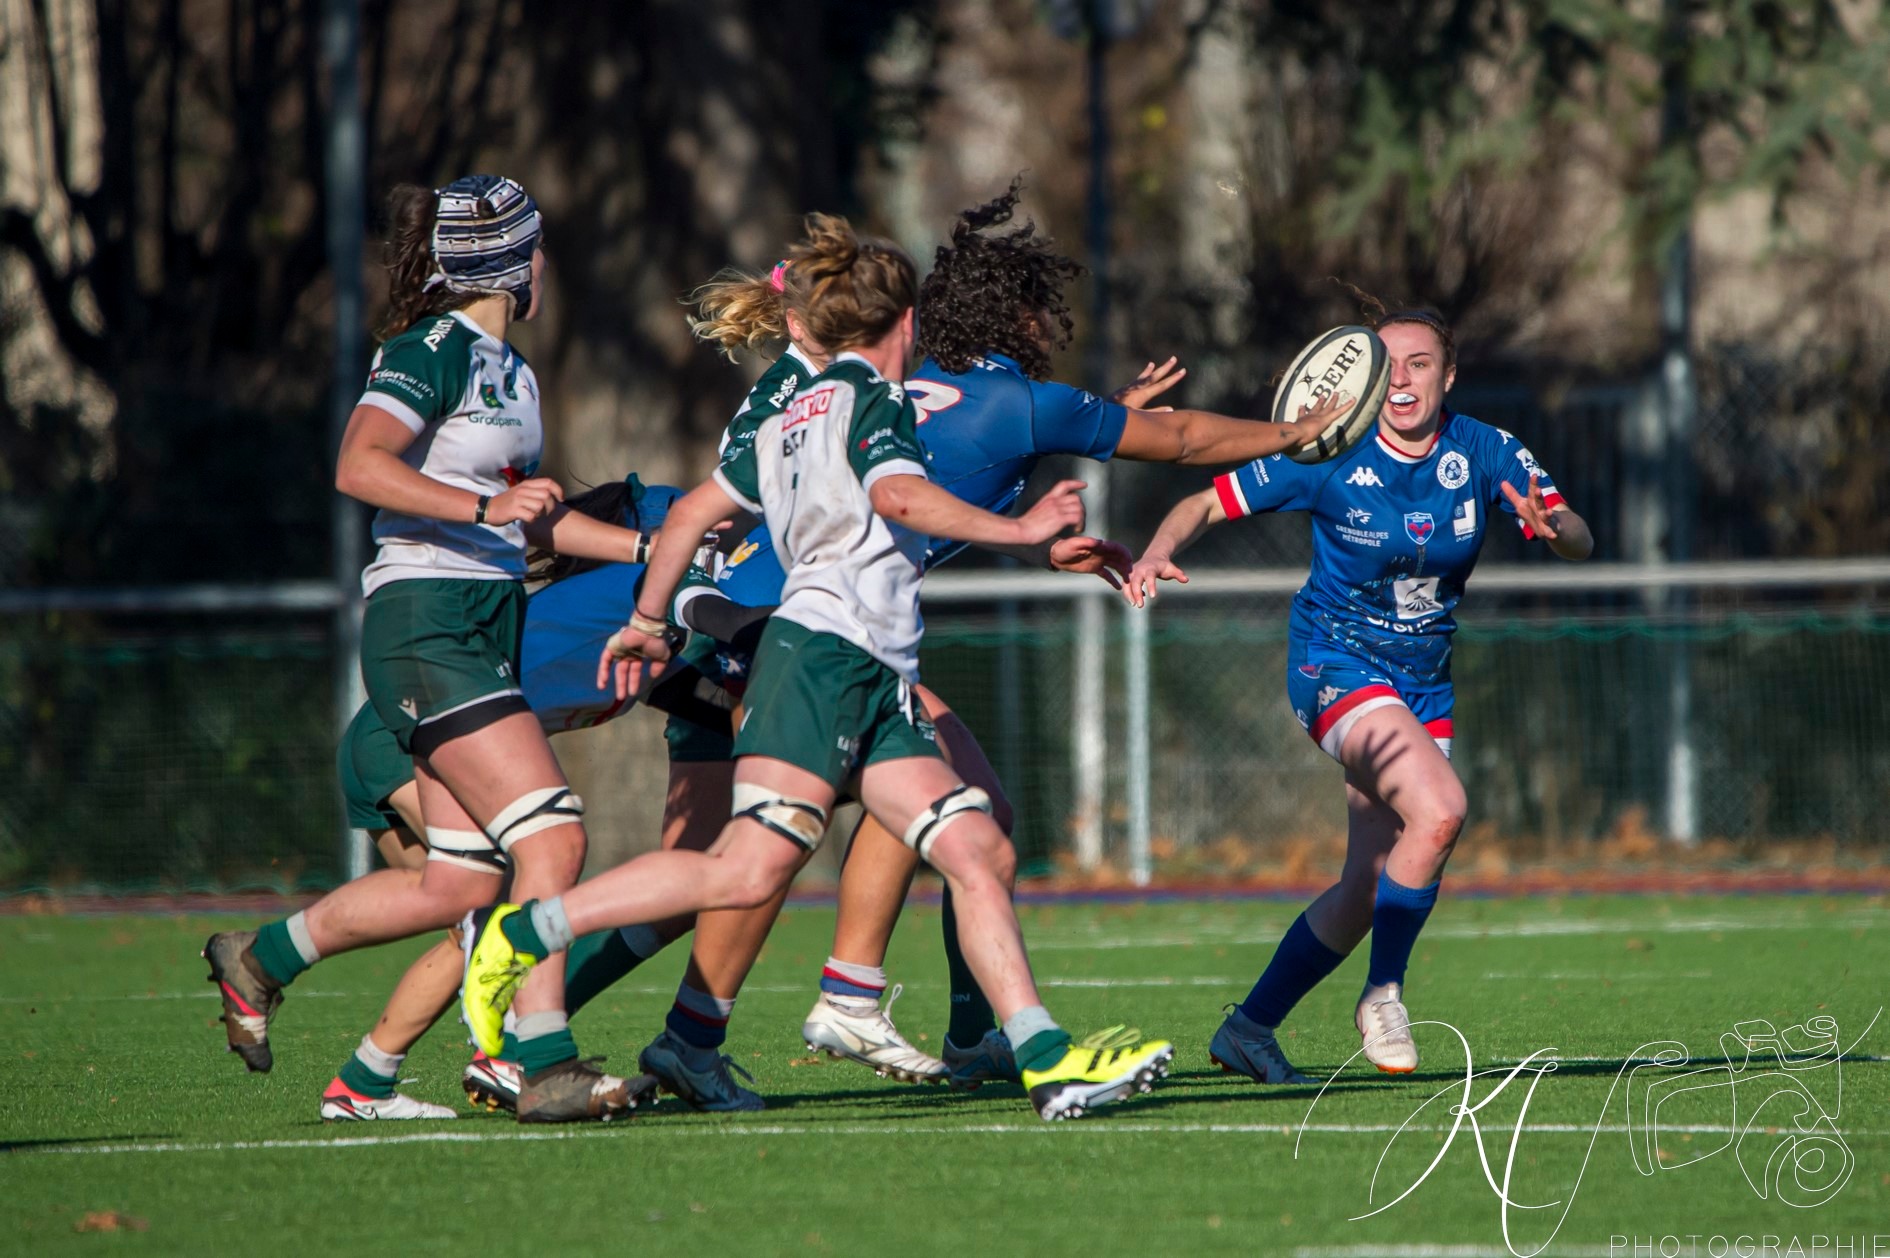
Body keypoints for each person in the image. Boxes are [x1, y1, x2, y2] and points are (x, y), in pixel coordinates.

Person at [464, 212, 1177, 1121]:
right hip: (812, 654)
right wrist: (1028, 533)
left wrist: (650, 619)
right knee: (741, 872)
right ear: (907, 322)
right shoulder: (871, 399)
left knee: (975, 840)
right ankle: (536, 938)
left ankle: (1041, 1058)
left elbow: (688, 520)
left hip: (831, 657)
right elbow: (901, 492)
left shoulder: (794, 403)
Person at [732, 180, 1344, 1088]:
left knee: (966, 823)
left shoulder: (916, 387)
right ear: (1020, 313)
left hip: (755, 616)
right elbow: (1176, 441)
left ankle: (937, 1024)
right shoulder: (1024, 405)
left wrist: (1042, 528)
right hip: (802, 634)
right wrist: (1294, 432)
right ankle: (717, 1004)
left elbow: (947, 492)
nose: (1050, 325)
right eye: (1043, 309)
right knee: (739, 868)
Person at [204, 176, 657, 1123]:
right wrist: (484, 504)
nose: (544, 266)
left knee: (460, 880)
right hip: (429, 621)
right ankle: (546, 1064)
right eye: (535, 248)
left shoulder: (514, 372)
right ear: (512, 260)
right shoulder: (433, 349)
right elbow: (358, 462)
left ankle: (262, 959)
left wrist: (656, 548)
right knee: (555, 838)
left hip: (481, 622)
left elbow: (532, 525)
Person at [1121, 297, 1594, 1082]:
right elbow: (1203, 500)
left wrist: (1556, 531)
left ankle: (1249, 1028)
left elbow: (1575, 530)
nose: (1402, 380)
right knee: (1441, 809)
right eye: (1387, 364)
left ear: (1448, 374)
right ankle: (1383, 992)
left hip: (1424, 681)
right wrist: (1155, 552)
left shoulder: (1484, 448)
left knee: (1367, 886)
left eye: (1419, 363)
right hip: (1332, 663)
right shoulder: (1327, 452)